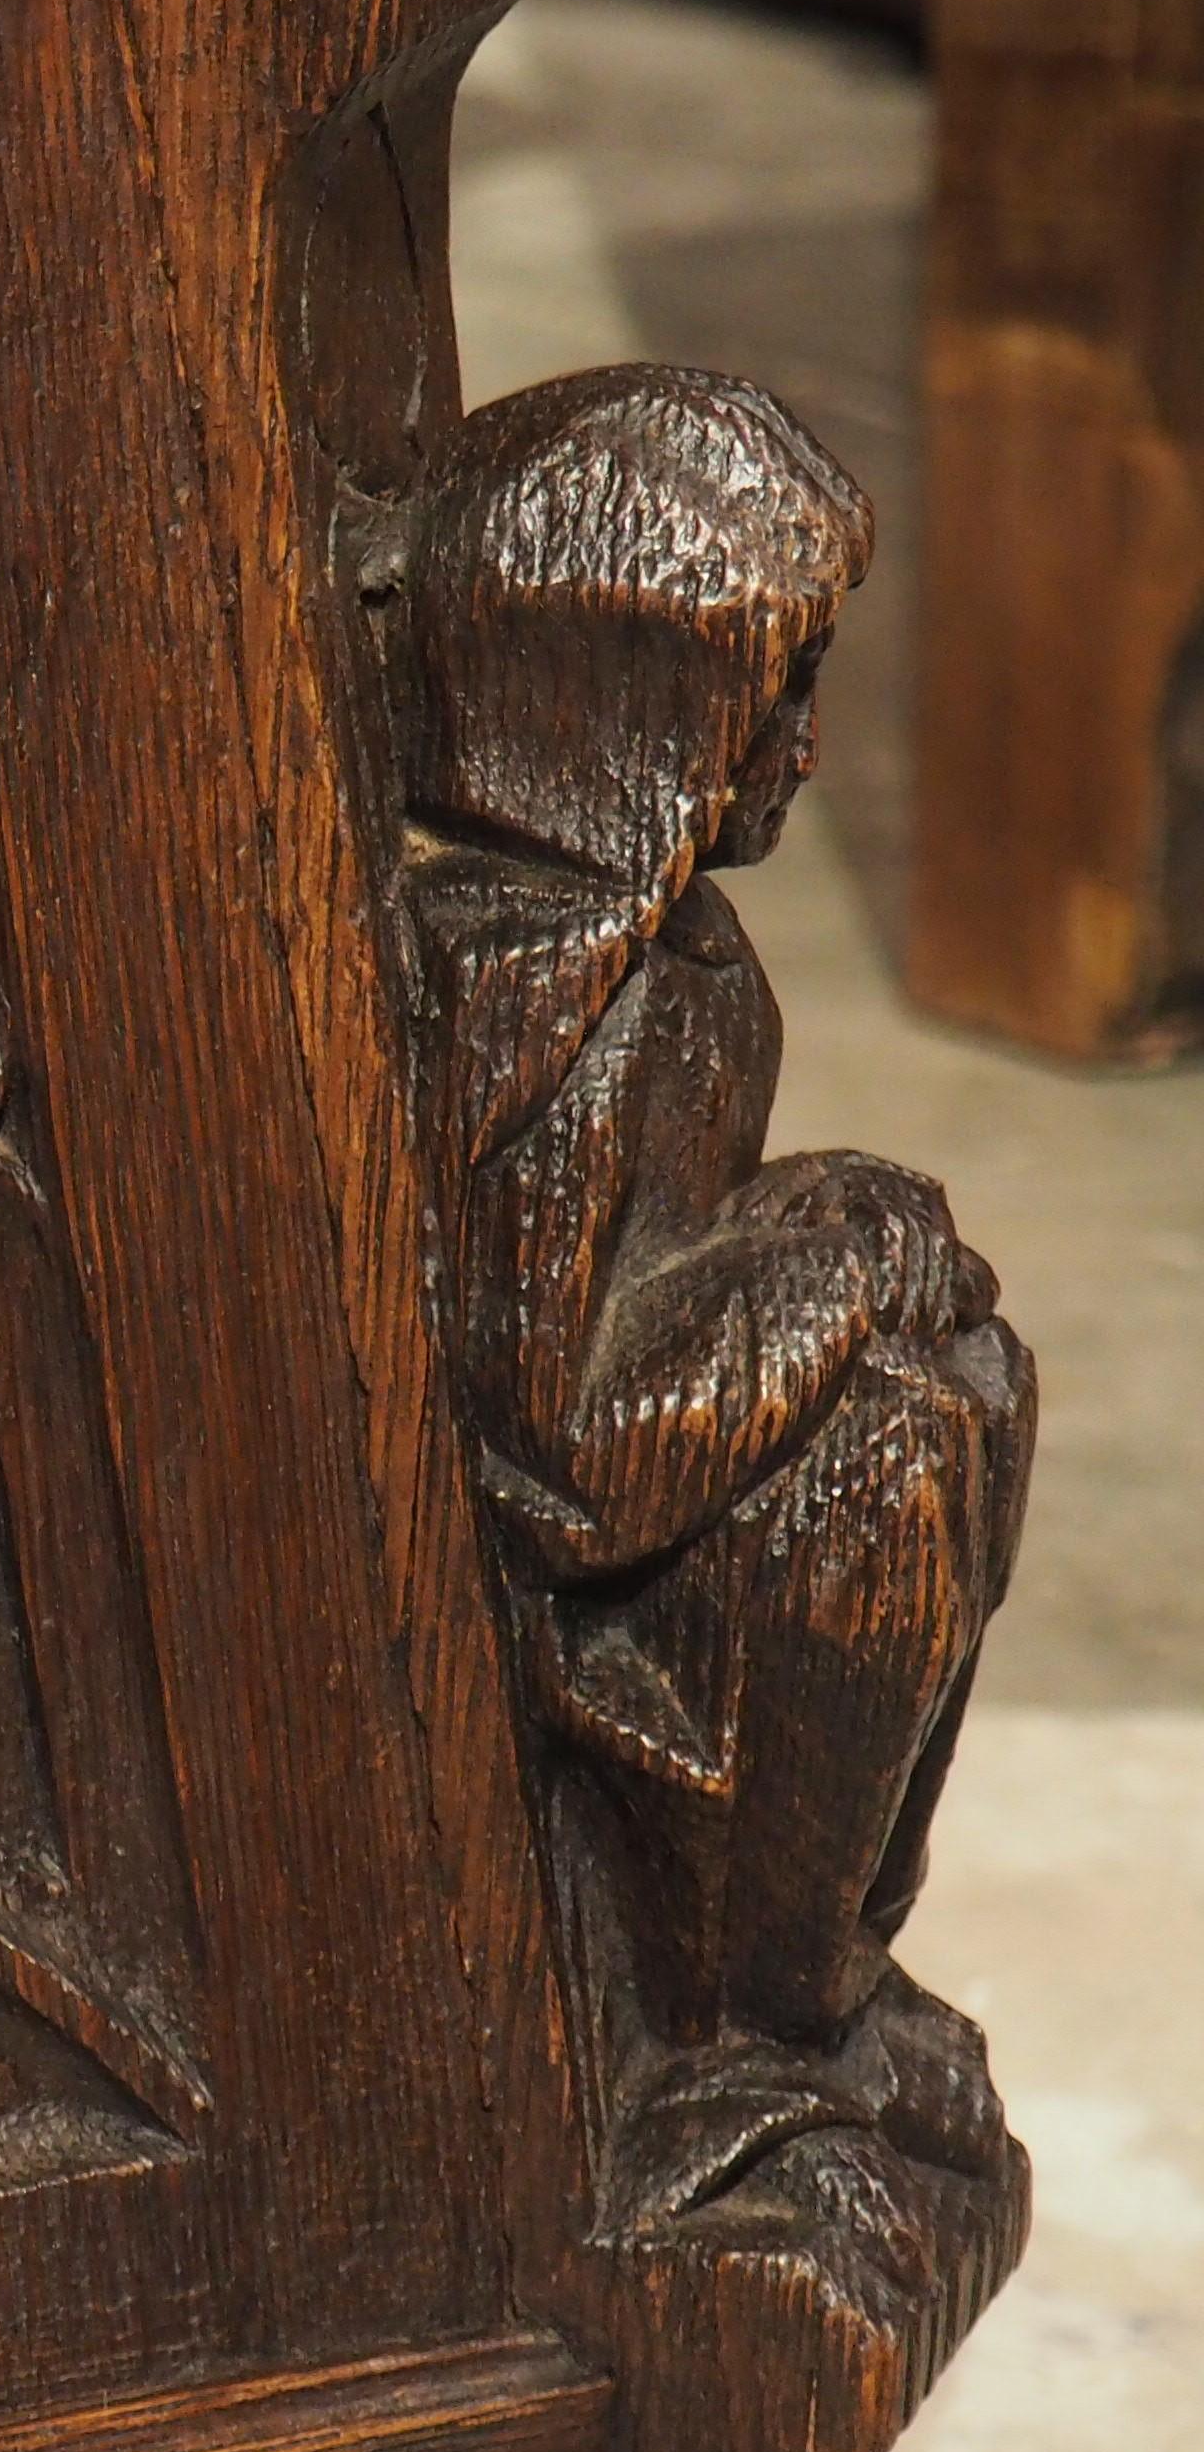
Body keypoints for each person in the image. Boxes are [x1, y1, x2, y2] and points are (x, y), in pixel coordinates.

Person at [396, 369, 1033, 2202]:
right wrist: (832, 1277)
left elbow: (672, 1279)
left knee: (968, 1384)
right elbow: (577, 1468)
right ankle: (760, 2014)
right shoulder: (555, 1001)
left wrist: (834, 1245)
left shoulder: (662, 959)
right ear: (628, 714)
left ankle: (818, 1985)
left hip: (673, 1532)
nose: (810, 752)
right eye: (772, 697)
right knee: (893, 1469)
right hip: (596, 1634)